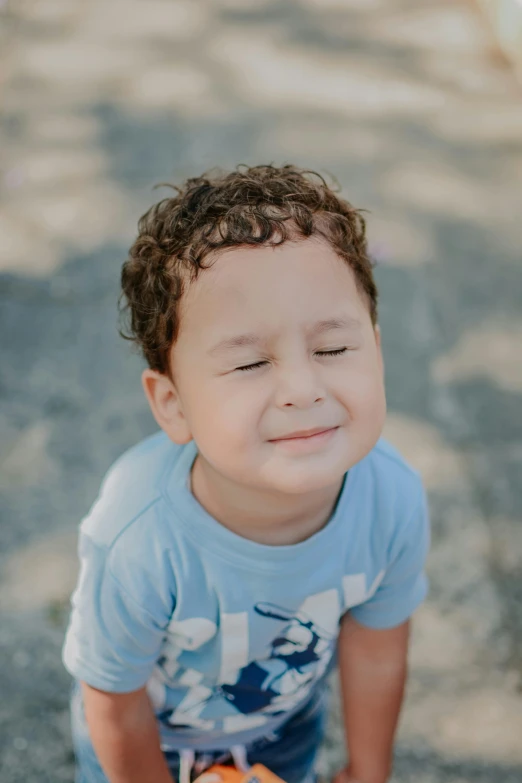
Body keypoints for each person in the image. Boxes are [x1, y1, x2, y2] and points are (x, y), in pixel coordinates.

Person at [62, 164, 430, 783]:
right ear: (172, 404)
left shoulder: (392, 498)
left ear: (376, 350)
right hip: (150, 747)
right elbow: (114, 698)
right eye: (251, 362)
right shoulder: (137, 539)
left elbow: (376, 645)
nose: (302, 388)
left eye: (333, 349)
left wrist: (370, 769)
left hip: (284, 733)